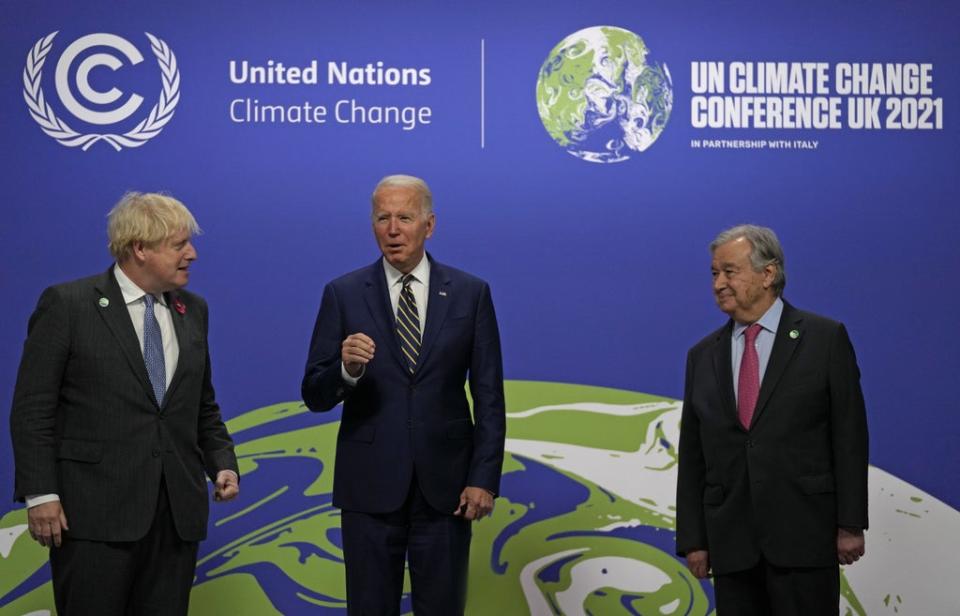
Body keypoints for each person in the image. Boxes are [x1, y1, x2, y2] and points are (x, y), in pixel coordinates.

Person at [10, 192, 239, 615]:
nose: (192, 254)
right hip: (94, 517)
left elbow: (200, 404)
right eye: (179, 245)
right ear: (140, 248)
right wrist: (41, 493)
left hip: (175, 518)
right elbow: (32, 409)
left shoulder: (194, 311)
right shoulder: (69, 305)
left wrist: (222, 461)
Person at [302, 174, 505, 615]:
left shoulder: (471, 294)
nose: (393, 229)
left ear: (429, 225)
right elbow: (315, 393)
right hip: (369, 489)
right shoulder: (344, 293)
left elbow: (489, 395)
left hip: (448, 490)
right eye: (383, 218)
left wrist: (483, 477)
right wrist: (346, 370)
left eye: (405, 217)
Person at [676, 224, 868, 615]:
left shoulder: (824, 339)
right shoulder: (702, 355)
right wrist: (694, 538)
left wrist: (850, 523)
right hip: (732, 545)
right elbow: (693, 454)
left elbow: (849, 436)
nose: (718, 284)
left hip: (804, 537)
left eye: (730, 271)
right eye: (714, 273)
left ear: (769, 274)